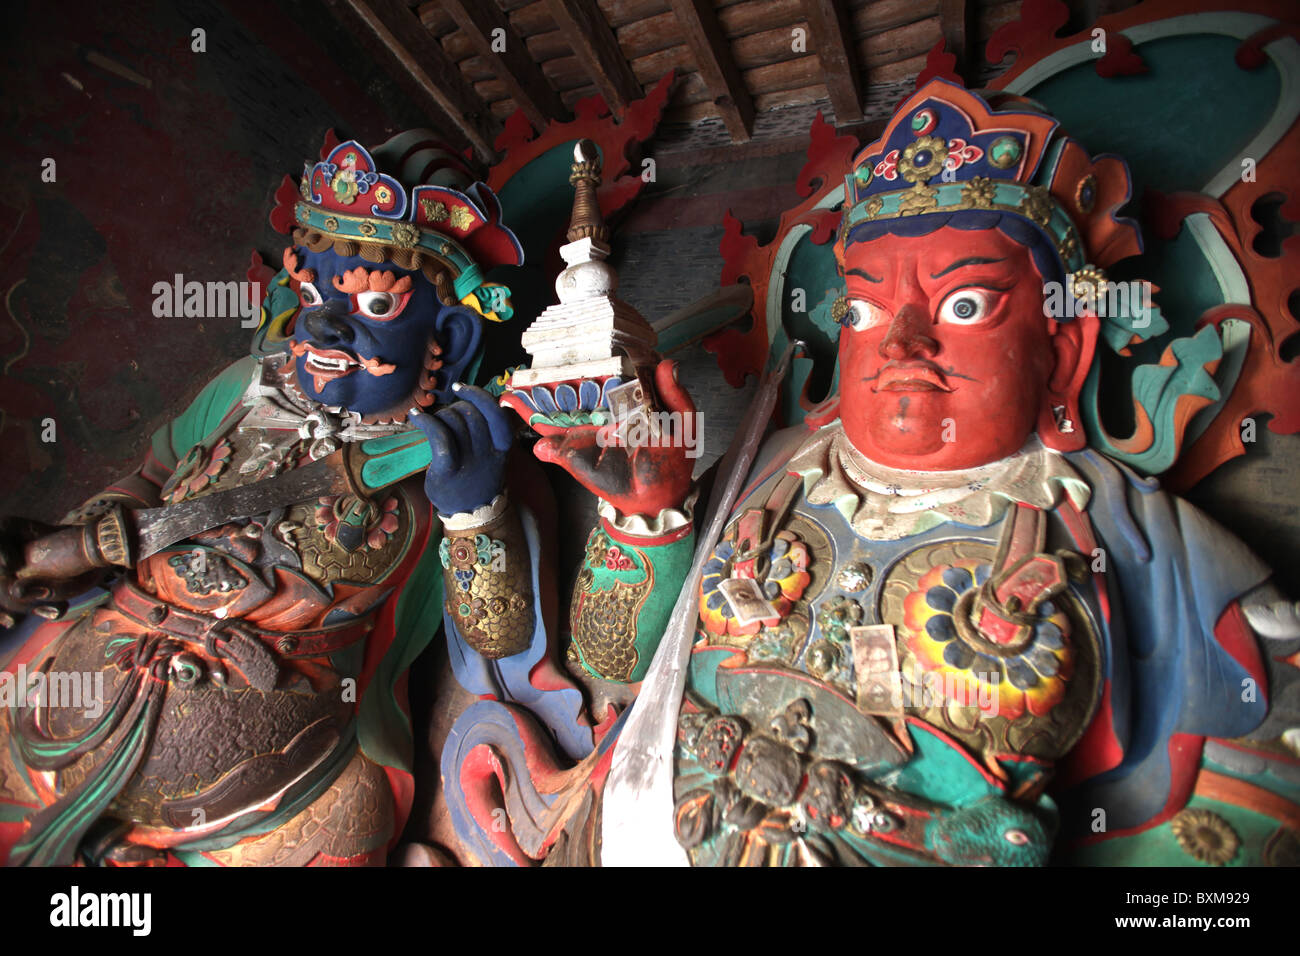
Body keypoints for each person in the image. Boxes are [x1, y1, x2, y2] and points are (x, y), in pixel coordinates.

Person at [489, 79, 1297, 867]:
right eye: (864, 311)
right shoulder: (767, 476)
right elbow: (613, 664)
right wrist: (652, 520)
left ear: (1064, 354)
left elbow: (1248, 808)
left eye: (967, 305)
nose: (903, 343)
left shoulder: (1131, 537)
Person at [0, 132, 557, 866]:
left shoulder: (464, 459)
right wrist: (61, 544)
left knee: (353, 828)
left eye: (375, 304)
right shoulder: (243, 387)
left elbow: (499, 640)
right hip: (86, 675)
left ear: (445, 334)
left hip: (276, 784)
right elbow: (150, 476)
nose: (325, 325)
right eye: (314, 295)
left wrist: (474, 510)